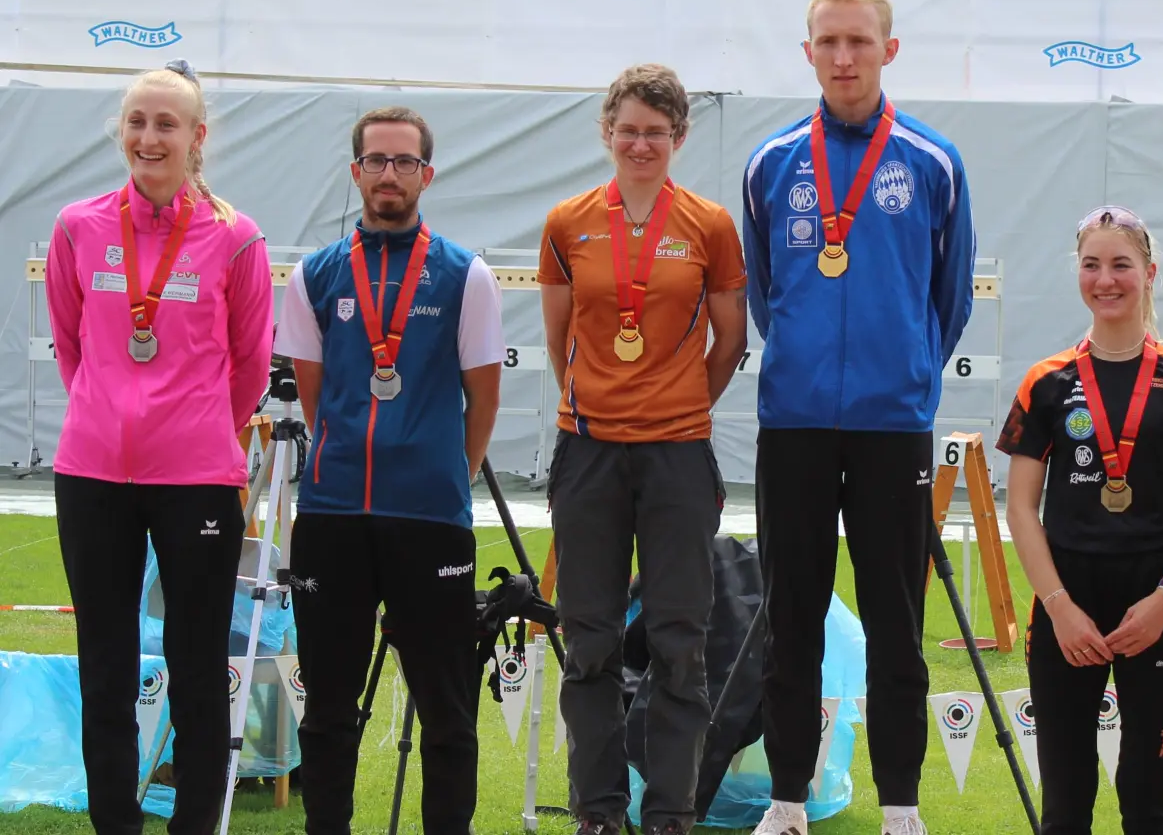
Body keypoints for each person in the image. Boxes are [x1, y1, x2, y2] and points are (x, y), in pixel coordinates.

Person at [741, 0, 977, 835]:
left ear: (889, 50)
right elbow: (768, 296)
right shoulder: (771, 162)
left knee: (896, 625)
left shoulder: (932, 161)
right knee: (792, 619)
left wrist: (904, 365)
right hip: (796, 423)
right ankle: (788, 800)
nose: (845, 58)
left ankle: (902, 808)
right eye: (829, 43)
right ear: (808, 53)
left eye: (860, 43)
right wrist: (803, 359)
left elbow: (948, 299)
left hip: (891, 426)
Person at [44, 57, 274, 835]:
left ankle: (192, 828)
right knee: (104, 665)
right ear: (121, 130)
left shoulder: (237, 239)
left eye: (166, 123)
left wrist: (198, 428)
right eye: (137, 120)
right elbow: (74, 348)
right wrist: (108, 413)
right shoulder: (77, 226)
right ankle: (116, 822)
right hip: (92, 474)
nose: (149, 136)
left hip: (197, 479)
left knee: (200, 667)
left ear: (196, 136)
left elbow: (248, 366)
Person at [273, 105, 505, 835]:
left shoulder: (466, 275)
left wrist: (441, 476)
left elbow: (483, 401)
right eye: (376, 160)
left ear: (426, 175)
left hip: (430, 519)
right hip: (333, 516)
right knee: (330, 707)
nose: (389, 174)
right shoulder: (314, 275)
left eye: (405, 162)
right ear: (356, 172)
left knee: (445, 711)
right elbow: (316, 398)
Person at [536, 63, 748, 835]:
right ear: (606, 133)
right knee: (588, 639)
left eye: (656, 132)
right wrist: (597, 403)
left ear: (679, 138)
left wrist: (680, 405)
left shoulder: (709, 225)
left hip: (677, 454)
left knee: (679, 643)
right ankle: (598, 811)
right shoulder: (566, 221)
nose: (640, 144)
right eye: (627, 129)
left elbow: (732, 341)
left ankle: (669, 814)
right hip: (589, 451)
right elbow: (559, 339)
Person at [997, 207, 1163, 835]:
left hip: (1159, 604)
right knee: (1066, 801)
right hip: (1067, 606)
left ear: (1149, 273)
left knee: (1148, 799)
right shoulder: (1046, 381)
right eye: (1092, 265)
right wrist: (1059, 606)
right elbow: (1020, 506)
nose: (1106, 279)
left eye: (1121, 264)